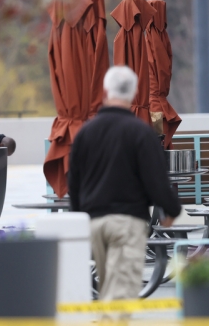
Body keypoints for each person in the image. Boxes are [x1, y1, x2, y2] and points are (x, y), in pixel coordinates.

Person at [68, 66, 181, 303]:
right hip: (127, 221)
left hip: (95, 222)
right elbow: (156, 180)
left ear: (106, 92)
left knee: (108, 286)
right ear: (133, 93)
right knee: (121, 294)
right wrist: (171, 209)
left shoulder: (85, 132)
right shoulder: (141, 132)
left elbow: (74, 182)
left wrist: (79, 217)